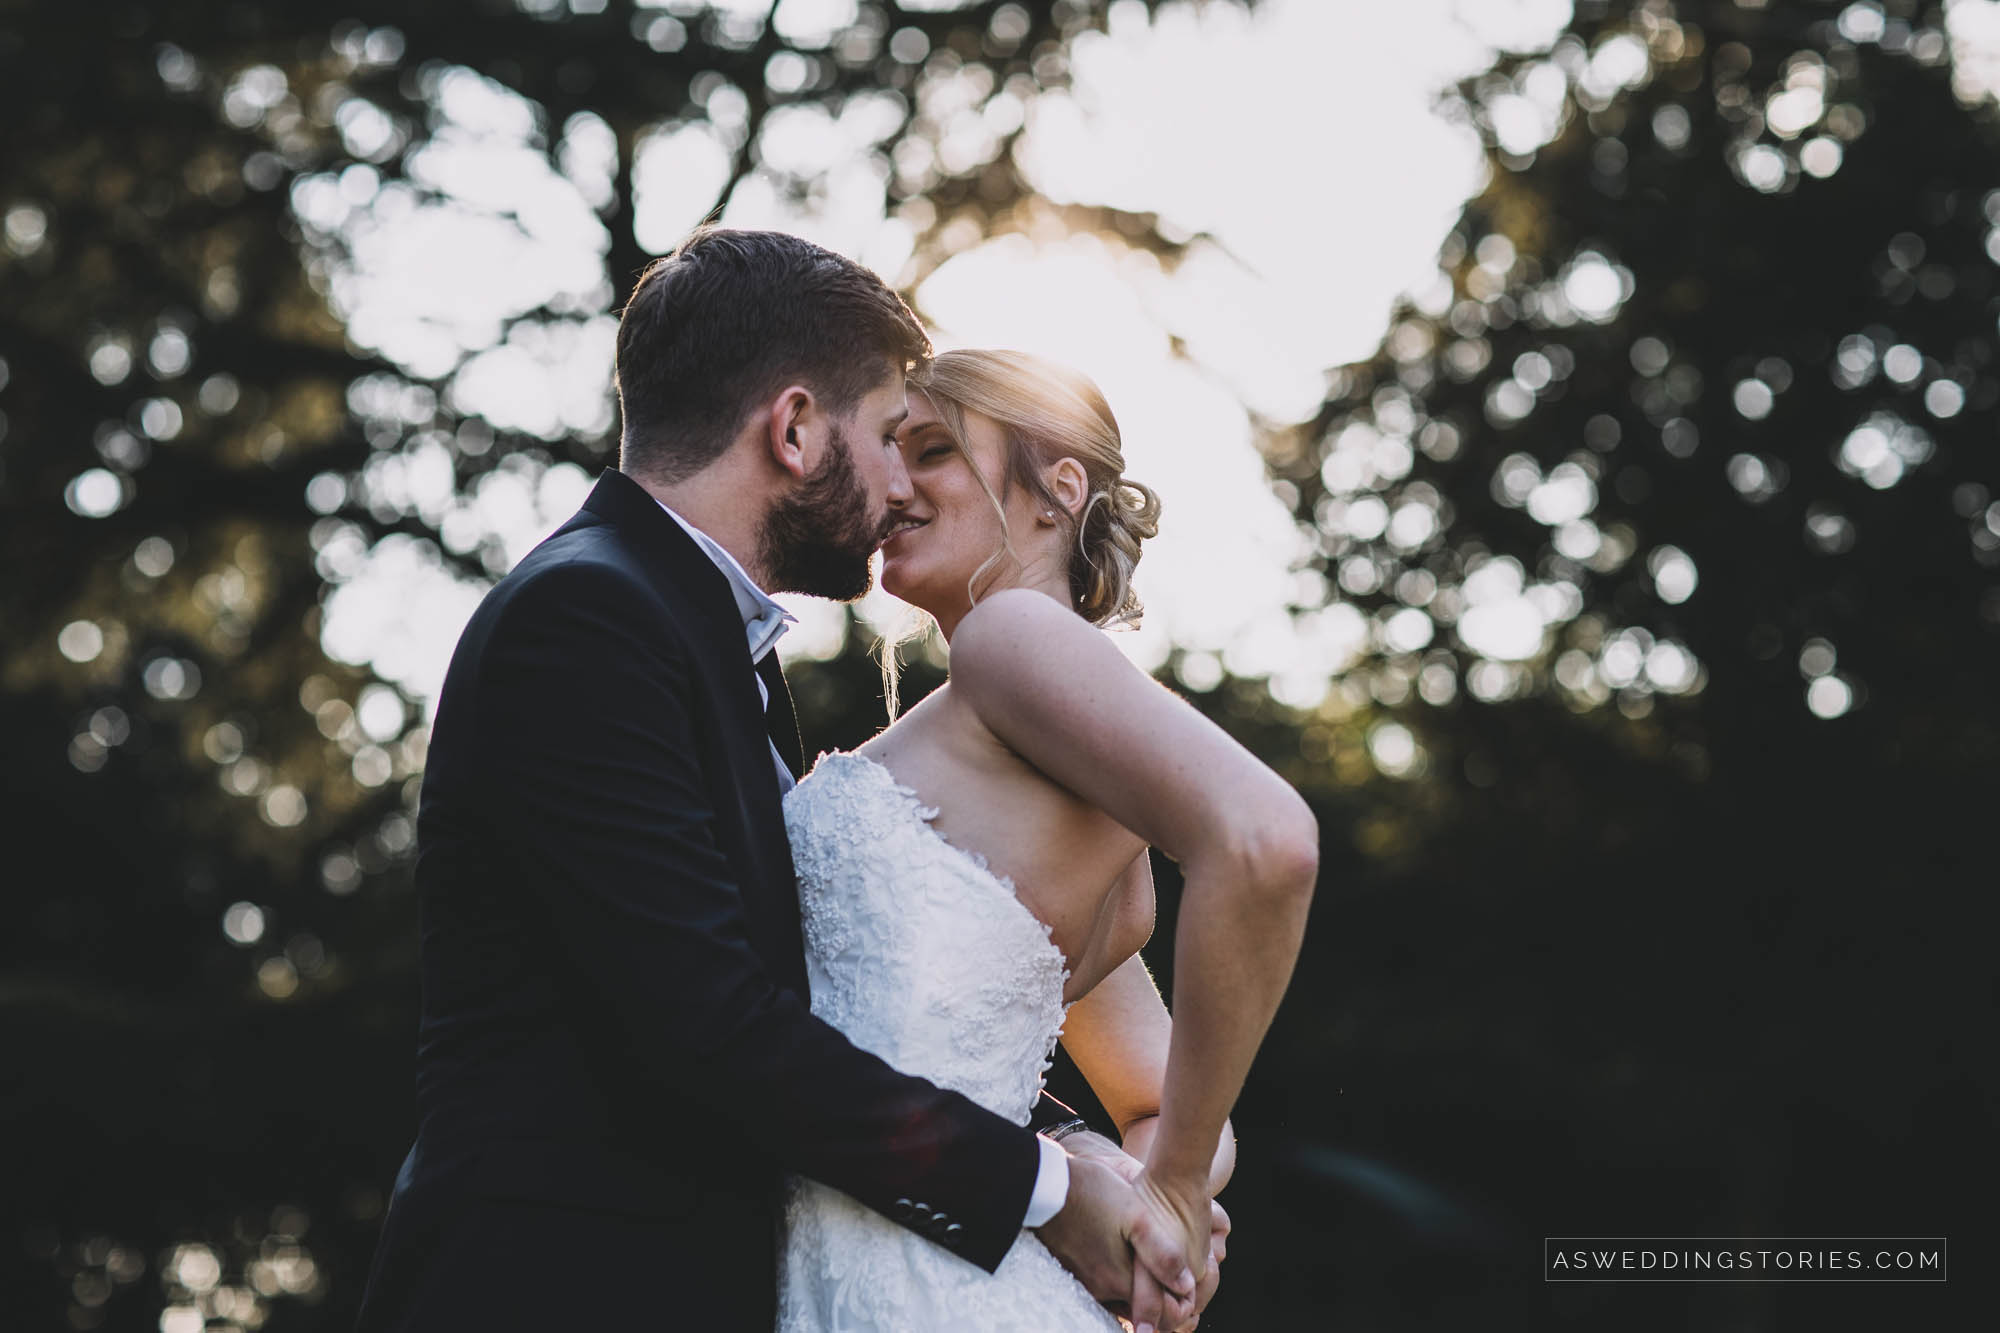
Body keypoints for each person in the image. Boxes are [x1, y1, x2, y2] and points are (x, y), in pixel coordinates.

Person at [351, 229, 1214, 1333]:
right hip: (561, 1288)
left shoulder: (712, 645)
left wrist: (1071, 1148)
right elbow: (710, 1027)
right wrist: (1043, 1191)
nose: (899, 482)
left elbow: (834, 1009)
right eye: (890, 436)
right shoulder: (584, 619)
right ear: (795, 429)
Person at [775, 348, 1319, 1331]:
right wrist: (1120, 1179)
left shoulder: (1007, 637)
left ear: (1059, 489)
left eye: (932, 451)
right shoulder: (1065, 783)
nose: (890, 485)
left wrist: (1172, 1193)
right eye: (890, 451)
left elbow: (1267, 841)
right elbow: (1156, 1098)